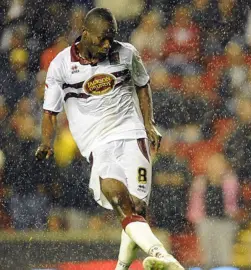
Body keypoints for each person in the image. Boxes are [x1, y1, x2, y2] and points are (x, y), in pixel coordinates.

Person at [34, 8, 184, 270]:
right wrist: (46, 142)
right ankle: (162, 255)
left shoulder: (126, 53)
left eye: (111, 38)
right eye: (102, 39)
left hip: (132, 136)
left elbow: (142, 84)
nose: (107, 44)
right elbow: (50, 112)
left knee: (136, 208)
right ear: (85, 34)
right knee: (116, 196)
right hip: (98, 145)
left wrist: (149, 124)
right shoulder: (60, 65)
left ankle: (122, 268)